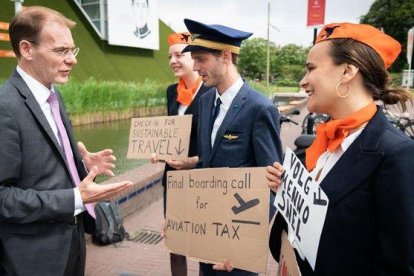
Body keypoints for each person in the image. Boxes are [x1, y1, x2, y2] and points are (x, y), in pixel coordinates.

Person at [266, 22, 414, 275]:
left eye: (311, 68)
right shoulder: (320, 142)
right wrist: (288, 192)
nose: (303, 81)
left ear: (347, 71)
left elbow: (398, 266)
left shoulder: (396, 153)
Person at [0, 6, 132, 275]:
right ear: (27, 49)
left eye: (72, 50)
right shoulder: (5, 107)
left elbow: (44, 162)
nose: (71, 60)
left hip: (72, 244)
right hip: (33, 260)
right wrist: (76, 197)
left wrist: (77, 161)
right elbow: (3, 198)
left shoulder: (54, 96)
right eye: (61, 51)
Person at [182, 18, 283, 276]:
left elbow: (271, 184)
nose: (195, 67)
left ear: (225, 56)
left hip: (237, 243)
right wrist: (182, 219)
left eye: (201, 59)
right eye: (193, 60)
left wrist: (241, 245)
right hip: (208, 234)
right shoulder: (205, 103)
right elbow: (207, 165)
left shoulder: (260, 108)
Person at [152, 32, 210, 276]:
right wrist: (159, 150)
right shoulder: (171, 91)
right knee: (175, 244)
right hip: (174, 178)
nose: (172, 61)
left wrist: (193, 162)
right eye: (169, 56)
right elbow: (172, 131)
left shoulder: (210, 91)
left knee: (205, 243)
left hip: (201, 176)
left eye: (178, 55)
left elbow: (211, 141)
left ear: (194, 57)